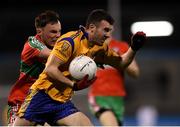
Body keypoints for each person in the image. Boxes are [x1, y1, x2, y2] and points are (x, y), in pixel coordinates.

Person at [13, 9, 146, 126]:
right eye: (105, 30)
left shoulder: (100, 48)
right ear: (92, 28)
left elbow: (121, 63)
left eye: (109, 30)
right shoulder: (69, 41)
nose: (108, 35)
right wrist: (73, 85)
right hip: (41, 96)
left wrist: (134, 48)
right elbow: (50, 69)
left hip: (62, 102)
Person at [7, 10, 61, 126]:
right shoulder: (32, 44)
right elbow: (53, 56)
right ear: (39, 31)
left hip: (42, 106)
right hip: (21, 103)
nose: (57, 35)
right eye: (53, 32)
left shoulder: (58, 46)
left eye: (59, 32)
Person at [88, 38, 140, 126]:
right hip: (98, 96)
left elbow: (135, 73)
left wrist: (119, 59)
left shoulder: (122, 47)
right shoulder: (91, 47)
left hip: (118, 98)